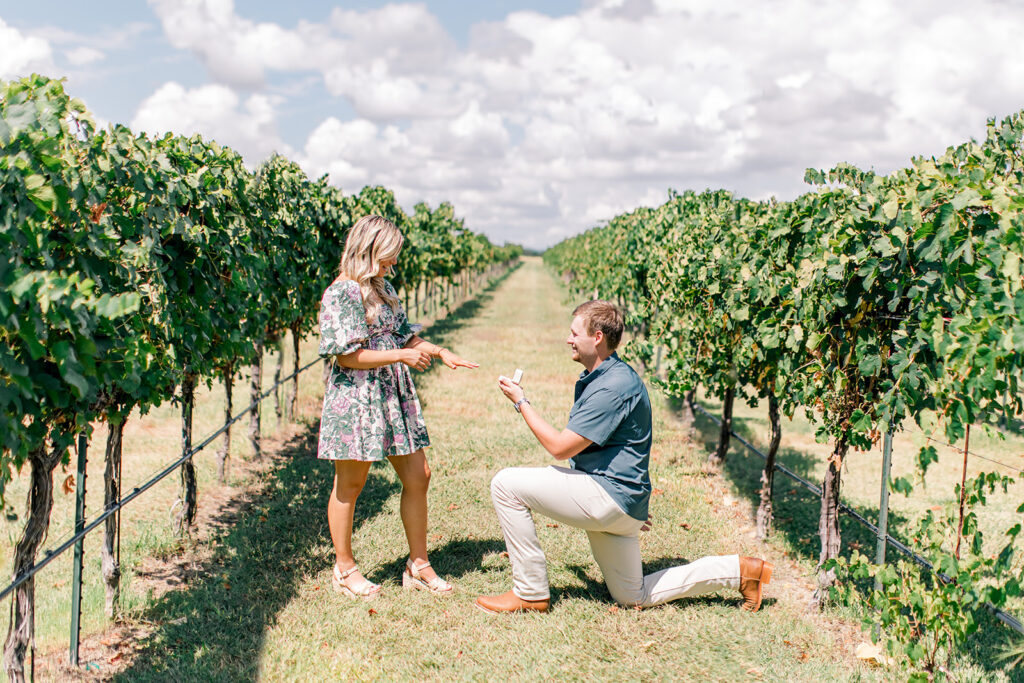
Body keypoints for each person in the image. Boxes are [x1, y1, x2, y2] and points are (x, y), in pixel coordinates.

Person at [474, 300, 773, 614]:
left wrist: (521, 401)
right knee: (633, 596)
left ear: (598, 337)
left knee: (505, 484)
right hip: (619, 501)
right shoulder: (611, 375)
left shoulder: (612, 387)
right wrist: (629, 507)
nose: (568, 339)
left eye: (575, 333)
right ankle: (742, 572)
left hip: (608, 498)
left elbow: (560, 447)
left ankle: (530, 592)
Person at [318, 214, 478, 599]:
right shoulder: (343, 292)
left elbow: (404, 335)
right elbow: (347, 358)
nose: (394, 263)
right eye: (389, 254)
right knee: (351, 484)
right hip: (357, 398)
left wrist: (439, 352)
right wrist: (402, 357)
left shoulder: (382, 287)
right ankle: (344, 568)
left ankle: (418, 564)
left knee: (419, 474)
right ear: (369, 250)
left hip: (392, 394)